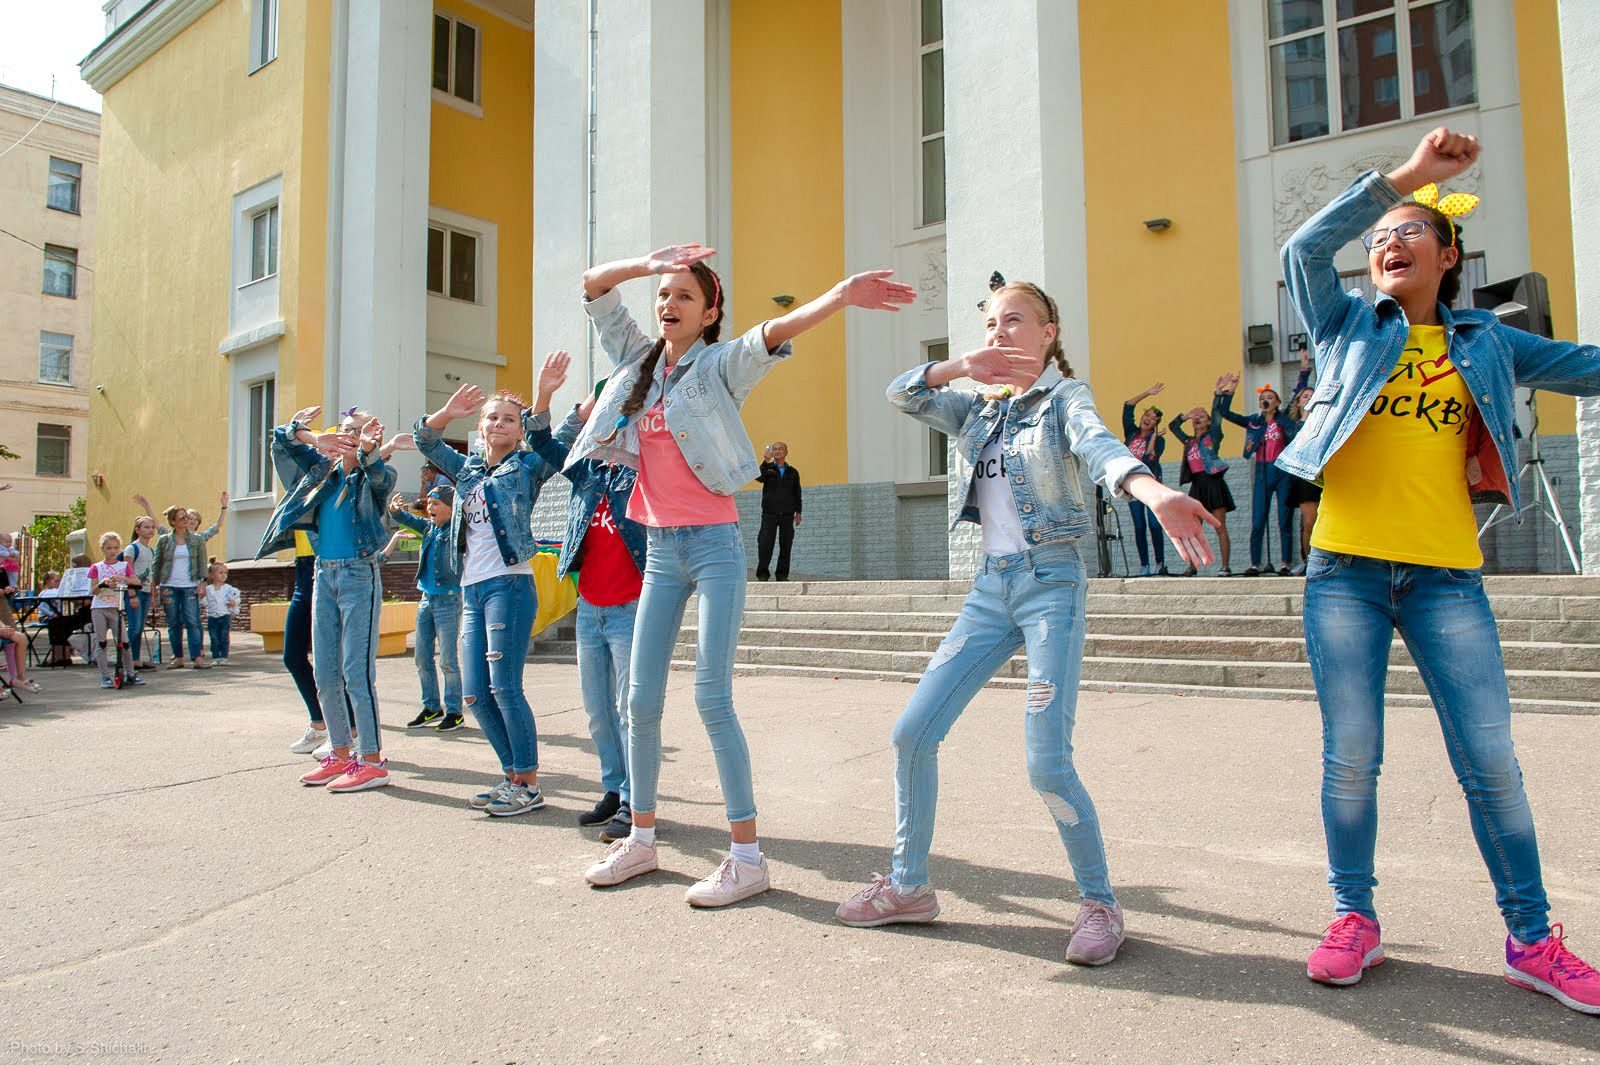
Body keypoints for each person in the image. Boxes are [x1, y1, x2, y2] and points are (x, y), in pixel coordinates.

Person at [1280, 126, 1600, 1012]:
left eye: (1412, 230)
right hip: (1342, 570)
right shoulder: (1345, 322)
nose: (1390, 241)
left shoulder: (1487, 341)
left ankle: (1533, 940)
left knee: (1492, 762)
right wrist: (1406, 180)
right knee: (1351, 758)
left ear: (1448, 255)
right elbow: (1302, 247)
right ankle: (1354, 919)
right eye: (1382, 235)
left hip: (1446, 578)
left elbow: (1587, 367)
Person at [833, 279, 1218, 966]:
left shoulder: (1065, 398)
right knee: (912, 733)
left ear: (1048, 333)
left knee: (1046, 764)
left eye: (1015, 320)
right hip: (990, 589)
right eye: (989, 322)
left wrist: (1151, 490)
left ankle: (1100, 903)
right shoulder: (976, 411)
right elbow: (902, 391)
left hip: (1050, 585)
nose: (999, 331)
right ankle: (908, 886)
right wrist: (959, 366)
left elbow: (1100, 450)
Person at [572, 243, 914, 906]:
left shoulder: (720, 367)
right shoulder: (637, 360)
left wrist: (840, 294)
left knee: (711, 697)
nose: (669, 304)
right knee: (638, 700)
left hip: (715, 547)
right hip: (662, 547)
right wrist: (651, 263)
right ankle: (642, 839)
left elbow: (775, 331)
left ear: (709, 313)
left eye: (684, 296)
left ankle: (747, 857)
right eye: (663, 295)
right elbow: (593, 285)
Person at [415, 383, 565, 817]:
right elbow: (426, 440)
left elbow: (560, 437)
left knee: (504, 687)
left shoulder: (528, 465)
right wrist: (446, 412)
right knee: (476, 694)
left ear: (520, 432)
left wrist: (542, 399)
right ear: (480, 427)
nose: (498, 423)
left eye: (508, 419)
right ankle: (511, 777)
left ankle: (529, 783)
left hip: (509, 585)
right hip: (471, 589)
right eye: (491, 417)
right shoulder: (466, 470)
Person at [526, 352, 648, 842]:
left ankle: (638, 801)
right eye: (597, 416)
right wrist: (556, 400)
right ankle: (615, 791)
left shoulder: (639, 473)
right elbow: (543, 444)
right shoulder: (587, 474)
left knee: (629, 709)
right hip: (591, 607)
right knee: (598, 711)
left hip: (630, 607)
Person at [259, 406, 397, 793]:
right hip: (324, 572)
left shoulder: (374, 476)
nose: (347, 437)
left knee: (356, 673)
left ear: (372, 436)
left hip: (358, 573)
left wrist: (370, 451)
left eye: (358, 431)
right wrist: (306, 433)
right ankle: (340, 753)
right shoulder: (320, 474)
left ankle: (372, 761)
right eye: (343, 430)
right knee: (325, 671)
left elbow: (379, 476)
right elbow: (280, 440)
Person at [1217, 361, 1308, 576]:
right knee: (1258, 519)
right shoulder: (1254, 422)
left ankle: (1285, 563)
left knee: (1284, 519)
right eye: (1262, 398)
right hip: (1262, 471)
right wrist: (1228, 391)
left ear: (1277, 402)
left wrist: (1304, 370)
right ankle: (1256, 563)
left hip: (1282, 470)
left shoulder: (1284, 418)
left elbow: (1298, 394)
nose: (1265, 400)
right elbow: (1225, 413)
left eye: (1269, 398)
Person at [388, 485, 465, 734]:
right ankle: (431, 706)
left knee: (448, 660)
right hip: (427, 599)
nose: (430, 508)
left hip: (448, 601)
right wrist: (395, 511)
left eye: (436, 504)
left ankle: (454, 711)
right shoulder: (429, 528)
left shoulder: (456, 531)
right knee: (422, 658)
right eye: (429, 504)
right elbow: (407, 518)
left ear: (451, 508)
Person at [149, 492, 228, 669]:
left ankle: (197, 658)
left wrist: (202, 581)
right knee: (173, 622)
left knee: (193, 621)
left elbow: (201, 562)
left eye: (187, 516)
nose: (186, 519)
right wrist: (154, 586)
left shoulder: (197, 540)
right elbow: (157, 564)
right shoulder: (164, 540)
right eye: (182, 517)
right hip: (169, 586)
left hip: (190, 585)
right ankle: (178, 657)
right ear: (173, 522)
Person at [1168, 381, 1236, 576]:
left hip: (1213, 482)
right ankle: (1191, 567)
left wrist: (1217, 393)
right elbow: (1173, 426)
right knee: (1192, 528)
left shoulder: (1213, 436)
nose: (1198, 419)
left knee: (1219, 525)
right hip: (1197, 485)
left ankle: (1225, 567)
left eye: (1202, 416)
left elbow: (1217, 417)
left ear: (1207, 422)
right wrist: (1185, 416)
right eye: (1195, 417)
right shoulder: (1189, 441)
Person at [1121, 383, 1168, 576]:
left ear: (1155, 425)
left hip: (1151, 485)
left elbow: (1150, 458)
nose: (1147, 419)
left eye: (1152, 419)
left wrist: (1154, 439)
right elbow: (1127, 406)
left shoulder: (1159, 440)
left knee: (1154, 524)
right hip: (1132, 486)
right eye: (1146, 415)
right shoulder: (1131, 433)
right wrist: (1147, 393)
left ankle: (1159, 563)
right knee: (1139, 525)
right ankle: (1144, 565)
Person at [87, 532, 143, 688]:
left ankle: (131, 673)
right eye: (109, 548)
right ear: (103, 549)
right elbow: (93, 590)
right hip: (99, 608)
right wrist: (103, 583)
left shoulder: (123, 566)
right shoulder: (96, 567)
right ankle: (105, 676)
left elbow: (136, 581)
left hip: (116, 607)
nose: (112, 551)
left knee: (124, 642)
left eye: (116, 548)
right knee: (101, 642)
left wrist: (122, 578)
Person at [1283, 352, 1321, 576]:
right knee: (1308, 521)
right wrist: (1304, 370)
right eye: (1304, 396)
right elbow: (1298, 393)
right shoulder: (1292, 424)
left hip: (1323, 473)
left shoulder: (1322, 421)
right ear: (1298, 402)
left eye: (1311, 395)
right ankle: (1308, 562)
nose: (1308, 397)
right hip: (1303, 477)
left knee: (1324, 518)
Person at [754, 442, 803, 582]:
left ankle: (782, 575)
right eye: (774, 449)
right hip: (769, 514)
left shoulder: (793, 472)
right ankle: (763, 574)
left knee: (786, 545)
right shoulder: (768, 468)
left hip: (787, 515)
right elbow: (759, 478)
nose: (777, 451)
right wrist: (765, 461)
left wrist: (798, 512)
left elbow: (797, 493)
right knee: (765, 544)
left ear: (786, 452)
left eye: (780, 449)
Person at [121, 512, 159, 669]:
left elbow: (150, 574)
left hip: (145, 592)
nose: (150, 530)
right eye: (146, 527)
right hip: (134, 592)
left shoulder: (150, 550)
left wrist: (152, 595)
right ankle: (126, 659)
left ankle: (136, 659)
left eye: (152, 527)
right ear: (137, 529)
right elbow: (127, 571)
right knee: (134, 627)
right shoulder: (132, 548)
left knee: (140, 627)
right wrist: (131, 594)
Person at [201, 562, 241, 665]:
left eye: (226, 573)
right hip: (212, 617)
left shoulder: (229, 588)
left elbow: (237, 599)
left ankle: (223, 657)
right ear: (212, 575)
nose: (224, 575)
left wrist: (234, 602)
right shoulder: (208, 589)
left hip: (225, 616)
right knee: (214, 637)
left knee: (224, 636)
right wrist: (201, 598)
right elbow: (205, 603)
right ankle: (216, 657)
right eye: (221, 572)